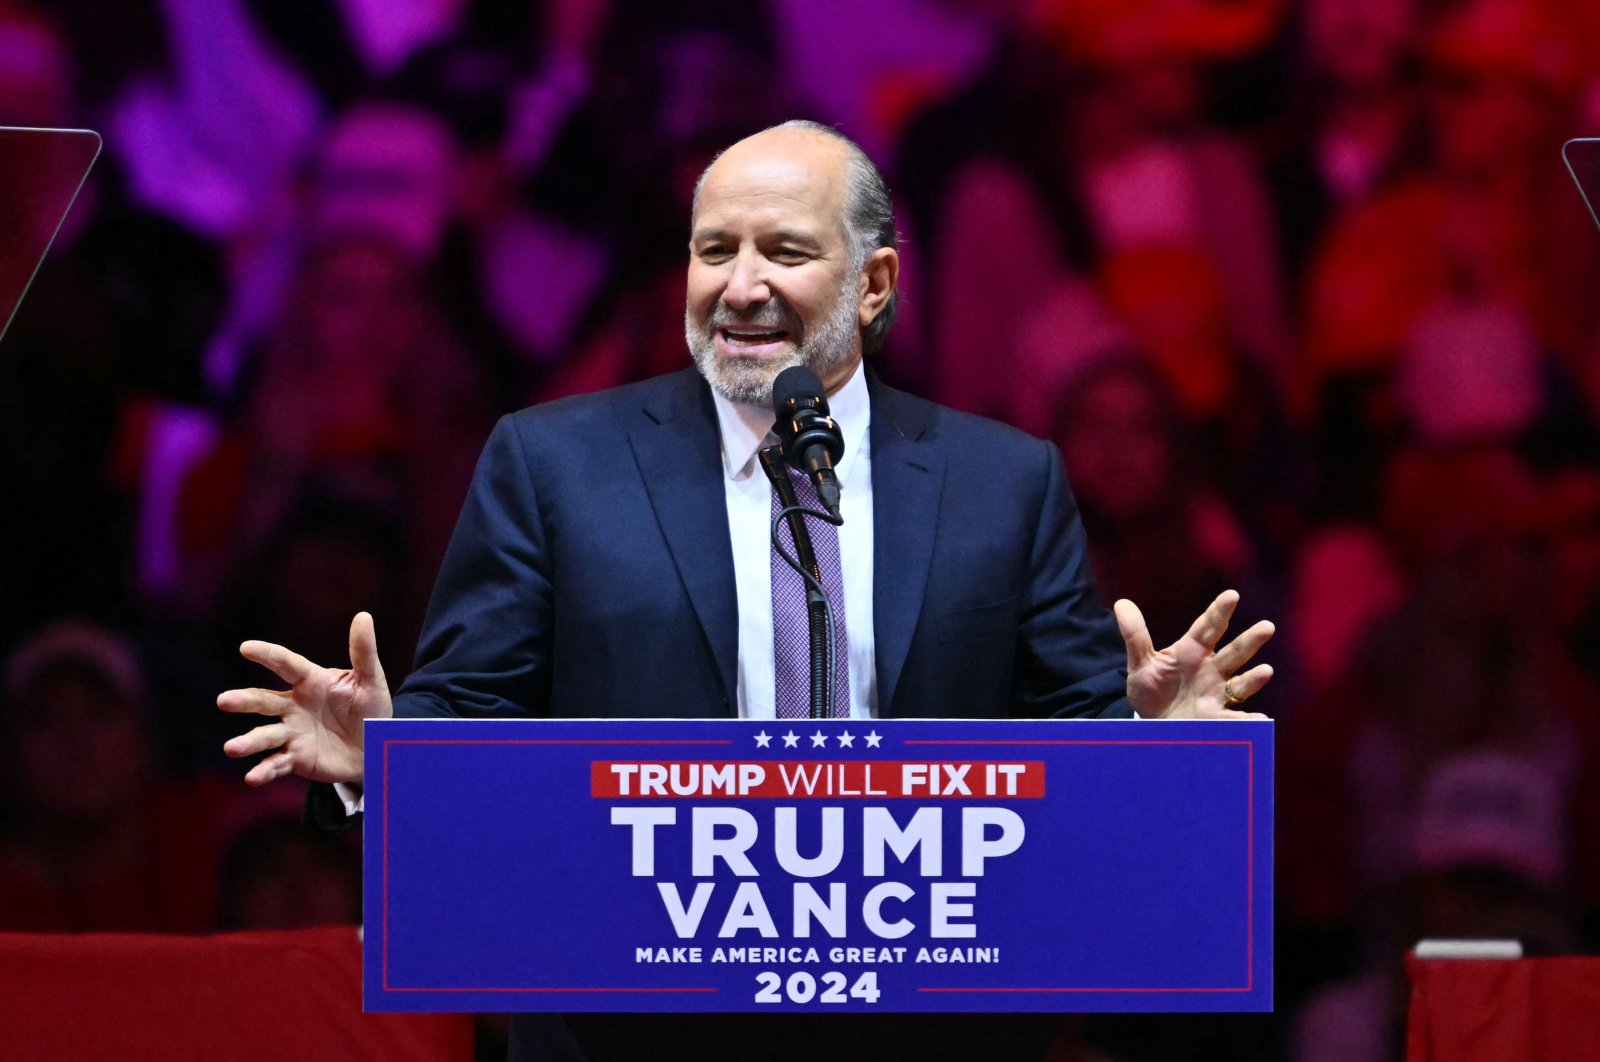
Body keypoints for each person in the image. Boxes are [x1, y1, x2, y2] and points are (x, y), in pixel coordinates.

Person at [218, 119, 1273, 1061]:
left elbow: (1063, 750)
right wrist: (389, 750)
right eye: (713, 249)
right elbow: (478, 711)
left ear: (874, 284)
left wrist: (1153, 751)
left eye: (785, 250)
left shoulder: (1001, 483)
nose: (739, 283)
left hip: (928, 1032)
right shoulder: (555, 465)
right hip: (630, 1030)